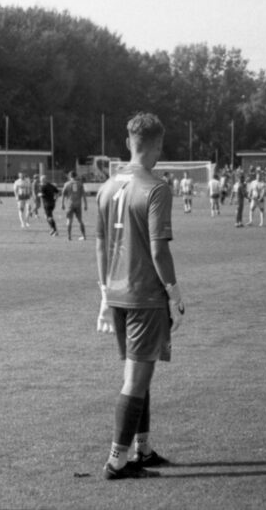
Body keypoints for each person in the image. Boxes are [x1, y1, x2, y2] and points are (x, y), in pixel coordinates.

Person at [95, 112, 184, 481]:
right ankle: (117, 461)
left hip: (115, 293)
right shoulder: (156, 187)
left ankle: (142, 449)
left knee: (138, 371)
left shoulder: (106, 187)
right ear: (157, 145)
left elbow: (100, 245)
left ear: (128, 142)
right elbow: (159, 249)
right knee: (135, 378)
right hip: (144, 295)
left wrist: (103, 293)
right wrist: (175, 293)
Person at [61, 171, 88, 240]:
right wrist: (85, 204)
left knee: (69, 220)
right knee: (80, 220)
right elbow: (84, 195)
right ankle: (84, 236)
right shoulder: (80, 184)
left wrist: (62, 204)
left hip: (70, 204)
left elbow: (63, 195)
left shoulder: (67, 184)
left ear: (70, 176)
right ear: (76, 176)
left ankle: (69, 236)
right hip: (78, 204)